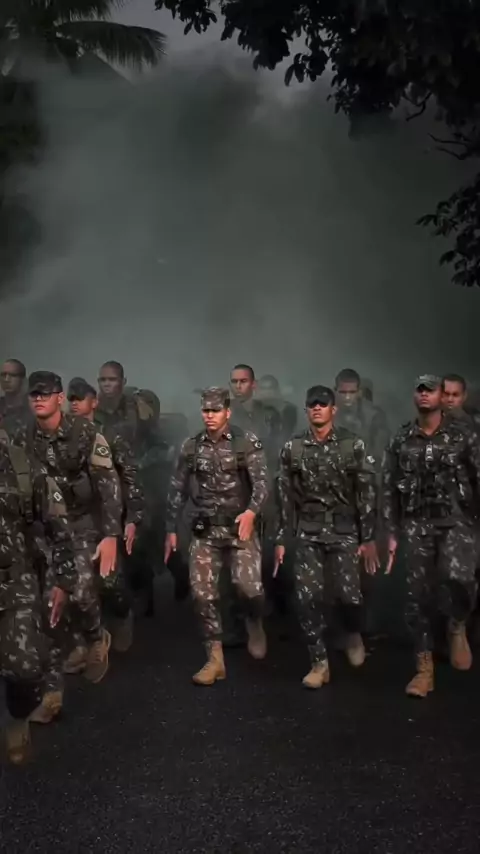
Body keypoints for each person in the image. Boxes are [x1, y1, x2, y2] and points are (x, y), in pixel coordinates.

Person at [12, 371, 122, 722]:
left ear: (60, 398)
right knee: (48, 608)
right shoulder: (23, 437)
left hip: (80, 525)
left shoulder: (85, 433)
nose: (38, 399)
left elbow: (108, 484)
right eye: (34, 394)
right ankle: (52, 693)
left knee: (82, 591)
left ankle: (95, 635)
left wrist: (111, 535)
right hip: (42, 531)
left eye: (45, 394)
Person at [275, 385, 379, 688]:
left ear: (334, 409)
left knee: (348, 596)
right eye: (313, 404)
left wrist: (368, 537)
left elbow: (366, 493)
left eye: (323, 404)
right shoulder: (293, 448)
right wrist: (282, 537)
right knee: (308, 597)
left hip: (344, 531)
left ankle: (352, 632)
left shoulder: (352, 445)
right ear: (306, 410)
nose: (317, 408)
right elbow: (285, 497)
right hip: (309, 531)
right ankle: (319, 662)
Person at [383, 375, 480, 698]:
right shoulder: (401, 439)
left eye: (431, 390)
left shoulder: (463, 435)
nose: (425, 394)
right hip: (417, 523)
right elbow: (389, 486)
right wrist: (392, 530)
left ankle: (457, 623)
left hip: (457, 521)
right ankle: (424, 669)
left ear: (442, 397)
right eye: (420, 390)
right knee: (417, 597)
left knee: (460, 580)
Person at [165, 387, 269, 685]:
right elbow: (177, 488)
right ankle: (214, 659)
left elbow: (262, 484)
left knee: (248, 588)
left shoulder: (245, 442)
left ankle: (254, 621)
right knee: (202, 594)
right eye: (205, 410)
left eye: (215, 410)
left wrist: (251, 513)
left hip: (239, 527)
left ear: (228, 411)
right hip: (206, 529)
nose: (209, 416)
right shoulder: (191, 446)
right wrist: (170, 528)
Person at [0, 427, 75, 763]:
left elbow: (58, 525)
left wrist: (65, 579)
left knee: (25, 669)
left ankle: (18, 717)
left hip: (15, 583)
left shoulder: (22, 466)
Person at [67, 377, 144, 653]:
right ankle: (88, 639)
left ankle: (122, 616)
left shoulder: (110, 436)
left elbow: (130, 477)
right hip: (77, 518)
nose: (74, 404)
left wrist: (133, 518)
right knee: (75, 580)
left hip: (109, 516)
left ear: (94, 402)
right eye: (71, 399)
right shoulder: (63, 437)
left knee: (111, 581)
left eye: (80, 399)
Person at [334, 368, 389, 465]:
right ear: (336, 391)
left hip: (366, 466)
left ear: (359, 392)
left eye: (352, 392)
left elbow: (380, 449)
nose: (347, 397)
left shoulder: (373, 415)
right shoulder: (327, 413)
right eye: (343, 392)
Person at [0, 358, 31, 432]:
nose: (6, 379)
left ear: (22, 379)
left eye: (13, 375)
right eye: (3, 375)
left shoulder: (32, 409)